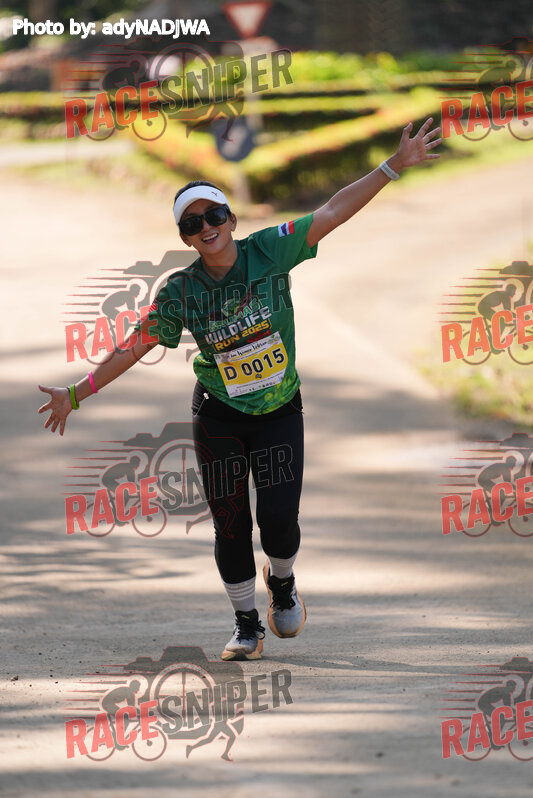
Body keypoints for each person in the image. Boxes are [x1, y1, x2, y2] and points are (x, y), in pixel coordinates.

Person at [38, 118, 441, 660]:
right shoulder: (180, 290)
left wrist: (392, 167)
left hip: (279, 411)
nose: (206, 227)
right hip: (219, 416)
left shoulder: (269, 250)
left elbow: (331, 212)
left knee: (278, 521)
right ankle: (246, 624)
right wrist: (77, 392)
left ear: (231, 218)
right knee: (230, 525)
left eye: (214, 216)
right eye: (192, 223)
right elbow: (135, 346)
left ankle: (282, 581)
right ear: (185, 237)